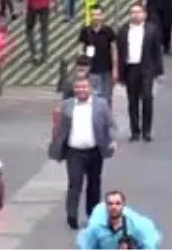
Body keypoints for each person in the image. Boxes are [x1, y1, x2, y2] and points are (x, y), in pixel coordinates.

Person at [48, 77, 116, 230]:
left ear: (91, 88)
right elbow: (59, 128)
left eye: (84, 87)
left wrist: (111, 140)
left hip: (94, 151)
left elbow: (110, 124)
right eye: (78, 87)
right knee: (75, 184)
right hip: (74, 152)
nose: (81, 90)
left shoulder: (101, 105)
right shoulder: (67, 105)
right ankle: (72, 215)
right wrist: (56, 145)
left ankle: (92, 215)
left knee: (94, 184)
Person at [115, 3, 164, 142]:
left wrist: (159, 71)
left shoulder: (151, 30)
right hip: (131, 68)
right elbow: (120, 53)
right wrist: (120, 73)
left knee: (147, 98)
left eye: (138, 12)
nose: (135, 15)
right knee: (132, 100)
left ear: (144, 14)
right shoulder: (124, 30)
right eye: (132, 12)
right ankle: (135, 131)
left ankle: (147, 131)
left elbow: (157, 51)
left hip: (147, 68)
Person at [78, 191, 163, 250]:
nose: (114, 207)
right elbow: (86, 246)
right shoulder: (96, 226)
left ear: (123, 206)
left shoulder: (138, 225)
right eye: (110, 204)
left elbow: (150, 244)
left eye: (118, 204)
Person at [79, 6, 117, 102]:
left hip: (106, 70)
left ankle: (106, 116)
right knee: (94, 97)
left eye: (98, 14)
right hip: (91, 70)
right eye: (93, 15)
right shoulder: (85, 31)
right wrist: (81, 68)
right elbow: (80, 50)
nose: (95, 17)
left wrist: (115, 69)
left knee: (107, 97)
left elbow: (114, 49)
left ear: (103, 15)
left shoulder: (108, 31)